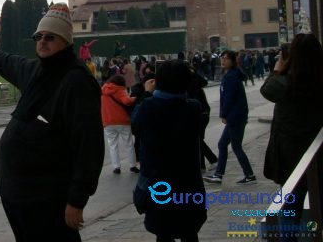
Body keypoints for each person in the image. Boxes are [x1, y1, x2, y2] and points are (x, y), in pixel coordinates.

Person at [0, 3, 104, 241]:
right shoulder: (37, 71)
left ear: (66, 41)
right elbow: (8, 63)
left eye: (50, 37)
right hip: (17, 193)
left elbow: (89, 146)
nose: (42, 41)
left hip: (48, 197)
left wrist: (77, 200)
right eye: (38, 36)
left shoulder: (77, 82)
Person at [132, 60, 207, 242]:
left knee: (163, 233)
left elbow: (135, 123)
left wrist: (146, 93)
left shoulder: (148, 107)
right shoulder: (193, 108)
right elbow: (198, 83)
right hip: (188, 183)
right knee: (189, 233)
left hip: (159, 184)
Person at [261, 34, 323, 241]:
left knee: (290, 207)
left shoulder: (286, 83)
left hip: (289, 154)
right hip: (316, 149)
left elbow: (267, 90)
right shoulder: (318, 81)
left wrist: (278, 69)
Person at [204, 50, 256, 184]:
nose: (223, 61)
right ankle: (219, 174)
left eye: (226, 59)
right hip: (236, 115)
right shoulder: (230, 75)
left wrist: (224, 114)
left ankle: (249, 175)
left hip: (235, 116)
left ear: (232, 61)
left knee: (236, 146)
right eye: (222, 58)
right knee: (223, 145)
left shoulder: (232, 77)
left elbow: (229, 98)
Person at [101, 74, 139, 174]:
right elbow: (126, 101)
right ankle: (132, 166)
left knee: (113, 145)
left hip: (108, 121)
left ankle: (116, 167)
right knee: (129, 144)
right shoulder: (120, 89)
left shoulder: (102, 90)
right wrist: (134, 98)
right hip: (122, 121)